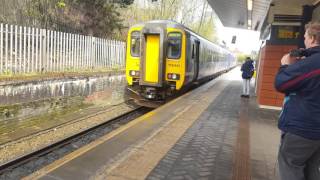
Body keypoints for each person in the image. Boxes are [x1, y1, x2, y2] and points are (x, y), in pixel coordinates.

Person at [274, 21, 320, 180]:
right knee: (311, 169)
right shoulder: (310, 62)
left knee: (290, 166)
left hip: (302, 129)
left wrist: (285, 65)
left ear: (313, 39)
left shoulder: (311, 64)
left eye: (306, 37)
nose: (304, 40)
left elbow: (281, 83)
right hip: (316, 134)